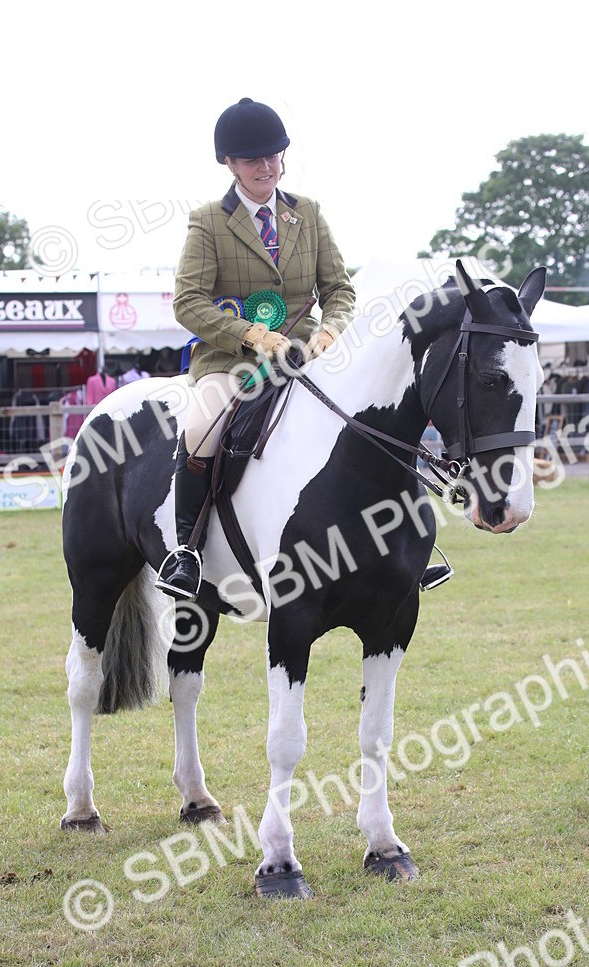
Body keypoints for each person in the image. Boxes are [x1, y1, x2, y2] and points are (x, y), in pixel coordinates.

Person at [155, 97, 356, 601]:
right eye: (252, 160)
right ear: (230, 164)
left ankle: (402, 541)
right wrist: (252, 335)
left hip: (306, 354)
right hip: (230, 360)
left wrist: (327, 333)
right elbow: (188, 302)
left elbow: (340, 290)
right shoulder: (207, 221)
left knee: (375, 407)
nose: (266, 167)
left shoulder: (306, 213)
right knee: (201, 427)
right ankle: (187, 551)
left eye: (274, 156)